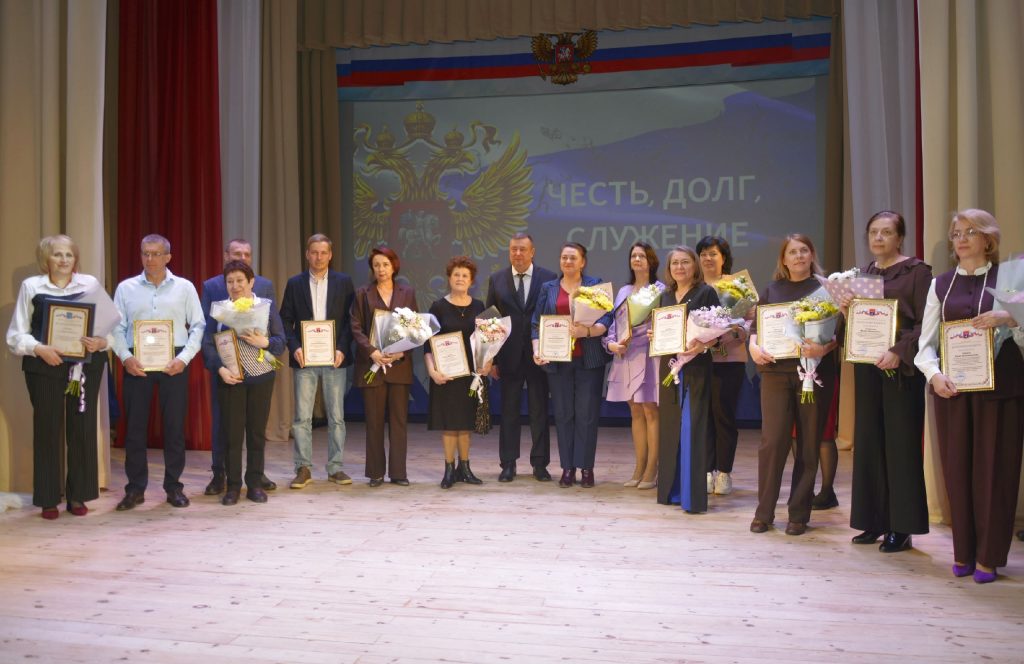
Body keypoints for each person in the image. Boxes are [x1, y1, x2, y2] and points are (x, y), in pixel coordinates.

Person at [915, 209, 1023, 583]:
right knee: (958, 470)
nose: (961, 239)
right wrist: (934, 375)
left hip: (1002, 389)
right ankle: (963, 551)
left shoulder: (1009, 279)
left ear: (988, 239)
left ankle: (989, 557)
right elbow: (925, 343)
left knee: (996, 471)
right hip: (954, 390)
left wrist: (1010, 317)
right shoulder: (941, 284)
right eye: (956, 233)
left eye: (970, 232)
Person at [843, 211, 931, 552]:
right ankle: (873, 520)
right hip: (868, 365)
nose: (878, 238)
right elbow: (860, 321)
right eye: (873, 232)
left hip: (901, 367)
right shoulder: (863, 274)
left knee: (900, 445)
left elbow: (927, 323)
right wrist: (845, 309)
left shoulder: (917, 272)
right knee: (869, 442)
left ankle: (901, 526)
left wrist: (898, 351)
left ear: (900, 237)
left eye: (886, 232)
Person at [6, 235, 110, 519]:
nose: (64, 260)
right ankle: (48, 498)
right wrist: (39, 349)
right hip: (45, 364)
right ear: (46, 259)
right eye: (57, 254)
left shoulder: (89, 284)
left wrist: (101, 342)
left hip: (84, 366)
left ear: (76, 259)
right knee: (47, 429)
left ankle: (78, 495)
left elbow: (111, 327)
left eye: (69, 255)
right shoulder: (32, 286)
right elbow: (16, 334)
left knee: (82, 429)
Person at [748, 234, 838, 536]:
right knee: (772, 443)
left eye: (803, 251)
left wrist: (822, 349)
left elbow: (837, 332)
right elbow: (756, 328)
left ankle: (799, 513)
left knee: (809, 443)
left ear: (811, 255)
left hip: (813, 373)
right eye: (792, 252)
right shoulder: (772, 290)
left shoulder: (825, 289)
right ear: (784, 260)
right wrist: (753, 347)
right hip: (775, 373)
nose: (798, 256)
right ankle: (764, 512)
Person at [111, 234, 205, 510]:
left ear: (168, 257)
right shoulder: (125, 288)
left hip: (174, 361)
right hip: (136, 360)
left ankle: (174, 487)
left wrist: (184, 359)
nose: (150, 259)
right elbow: (116, 328)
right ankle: (135, 489)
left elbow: (198, 326)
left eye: (155, 254)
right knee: (135, 429)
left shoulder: (184, 287)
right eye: (145, 253)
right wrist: (125, 357)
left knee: (174, 428)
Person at [201, 261, 286, 505]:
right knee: (232, 435)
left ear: (251, 282)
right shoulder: (220, 310)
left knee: (256, 434)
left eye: (240, 280)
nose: (235, 286)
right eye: (230, 281)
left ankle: (255, 484)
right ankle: (233, 486)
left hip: (261, 377)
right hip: (230, 379)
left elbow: (280, 341)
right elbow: (207, 343)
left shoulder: (265, 306)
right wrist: (219, 369)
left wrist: (265, 343)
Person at [531, 242, 612, 488]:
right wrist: (537, 350)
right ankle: (567, 468)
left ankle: (586, 468)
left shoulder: (595, 285)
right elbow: (536, 323)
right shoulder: (548, 288)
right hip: (558, 361)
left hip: (589, 360)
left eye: (573, 258)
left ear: (582, 262)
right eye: (564, 257)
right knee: (564, 415)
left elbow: (607, 316)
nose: (567, 262)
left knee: (587, 416)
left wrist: (586, 331)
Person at [280, 234, 355, 489]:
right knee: (302, 417)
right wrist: (295, 347)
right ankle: (303, 468)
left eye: (323, 252)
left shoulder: (343, 282)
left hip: (335, 359)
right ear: (307, 254)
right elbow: (285, 320)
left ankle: (335, 468)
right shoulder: (295, 283)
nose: (319, 257)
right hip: (305, 359)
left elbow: (350, 321)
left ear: (330, 255)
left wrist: (342, 348)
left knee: (337, 417)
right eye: (314, 252)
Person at [485, 233, 557, 482]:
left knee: (540, 411)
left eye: (522, 249)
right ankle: (508, 464)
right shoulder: (497, 279)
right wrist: (492, 359)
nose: (517, 253)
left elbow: (551, 315)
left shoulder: (548, 277)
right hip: (508, 357)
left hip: (539, 357)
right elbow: (491, 321)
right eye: (513, 249)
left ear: (532, 252)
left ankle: (540, 464)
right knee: (509, 412)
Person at [654, 246, 719, 511]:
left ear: (694, 266)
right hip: (669, 366)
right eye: (675, 263)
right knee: (670, 427)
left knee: (692, 427)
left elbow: (718, 333)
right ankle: (670, 491)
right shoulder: (665, 296)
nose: (679, 267)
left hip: (696, 366)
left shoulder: (706, 292)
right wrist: (655, 334)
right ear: (669, 269)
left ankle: (692, 497)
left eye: (685, 262)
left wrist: (703, 345)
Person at [350, 246, 418, 487]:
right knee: (374, 422)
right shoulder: (362, 293)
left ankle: (398, 473)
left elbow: (415, 328)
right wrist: (373, 352)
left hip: (399, 366)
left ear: (394, 266)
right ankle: (376, 473)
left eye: (385, 264)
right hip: (372, 365)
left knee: (399, 422)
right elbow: (355, 327)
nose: (381, 269)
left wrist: (401, 351)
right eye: (377, 265)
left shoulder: (407, 292)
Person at [604, 242, 663, 490]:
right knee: (635, 411)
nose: (637, 259)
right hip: (625, 354)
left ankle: (652, 468)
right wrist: (611, 344)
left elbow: (665, 322)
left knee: (650, 409)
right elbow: (615, 323)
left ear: (651, 261)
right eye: (633, 256)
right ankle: (639, 467)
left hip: (649, 354)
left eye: (642, 256)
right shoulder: (624, 291)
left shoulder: (660, 289)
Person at [425, 256, 487, 488]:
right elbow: (428, 344)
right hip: (446, 375)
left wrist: (487, 363)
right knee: (450, 424)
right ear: (449, 278)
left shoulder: (479, 306)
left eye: (465, 275)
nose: (460, 279)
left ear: (471, 281)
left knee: (466, 423)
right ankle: (449, 470)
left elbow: (488, 340)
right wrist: (432, 371)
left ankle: (465, 469)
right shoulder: (438, 307)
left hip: (471, 375)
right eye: (456, 275)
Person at [697, 235, 750, 496]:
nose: (708, 258)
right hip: (699, 360)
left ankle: (724, 471)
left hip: (730, 359)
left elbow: (751, 319)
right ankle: (707, 470)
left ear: (723, 258)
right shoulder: (695, 287)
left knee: (724, 415)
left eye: (713, 254)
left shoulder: (736, 285)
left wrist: (738, 331)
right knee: (703, 416)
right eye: (703, 254)